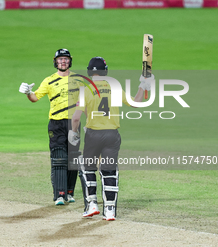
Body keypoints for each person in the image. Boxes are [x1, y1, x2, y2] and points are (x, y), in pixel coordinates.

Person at [68, 57, 152, 220]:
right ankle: (110, 210)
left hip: (93, 134)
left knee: (87, 168)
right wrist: (142, 86)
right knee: (109, 171)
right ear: (105, 71)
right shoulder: (114, 87)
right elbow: (136, 103)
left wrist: (74, 132)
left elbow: (76, 118)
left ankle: (92, 204)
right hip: (112, 135)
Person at [19, 49, 81, 205]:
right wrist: (28, 92)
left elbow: (86, 101)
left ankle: (69, 192)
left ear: (70, 61)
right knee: (59, 158)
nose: (63, 62)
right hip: (56, 124)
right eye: (60, 59)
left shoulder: (78, 79)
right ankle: (59, 195)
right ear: (55, 61)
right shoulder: (49, 81)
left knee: (73, 159)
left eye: (66, 59)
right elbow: (35, 98)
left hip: (74, 123)